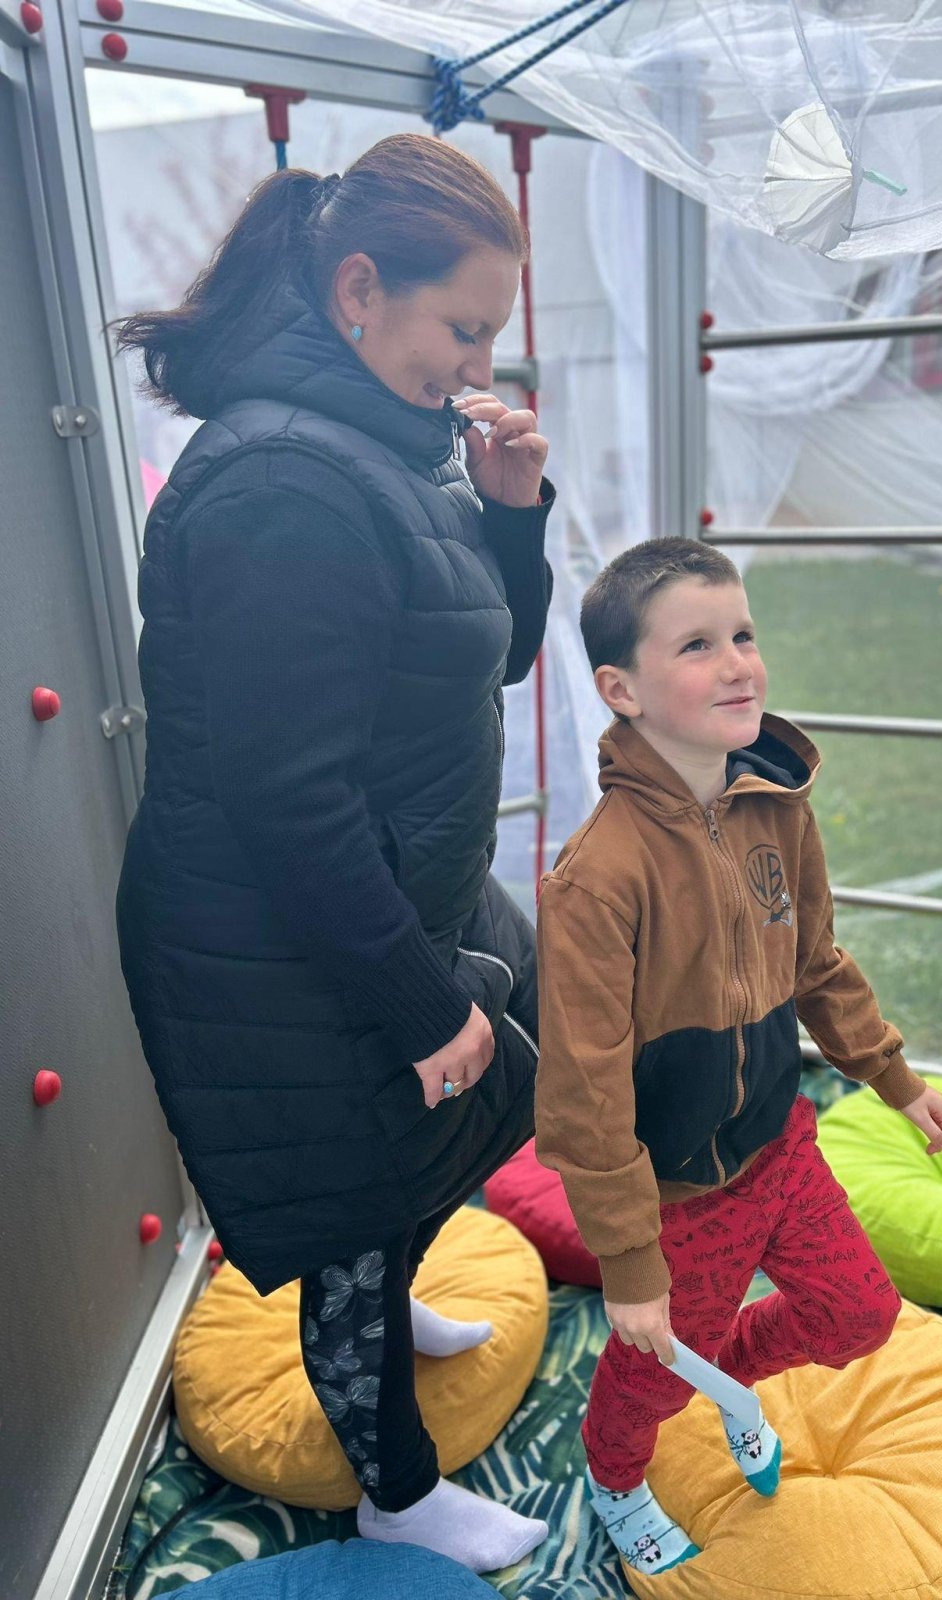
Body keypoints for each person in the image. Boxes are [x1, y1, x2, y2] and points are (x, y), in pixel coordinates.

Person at [114, 134, 555, 1574]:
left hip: (379, 892)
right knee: (356, 1197)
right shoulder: (284, 486)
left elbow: (488, 657)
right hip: (281, 935)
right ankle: (396, 1492)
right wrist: (420, 1004)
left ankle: (392, 1291)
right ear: (359, 290)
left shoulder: (377, 449)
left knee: (428, 1147)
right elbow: (286, 800)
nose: (478, 365)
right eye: (462, 329)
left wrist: (509, 513)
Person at [535, 538, 942, 1574]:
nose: (737, 664)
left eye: (743, 634)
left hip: (782, 1146)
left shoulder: (780, 806)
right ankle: (615, 1474)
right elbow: (585, 1094)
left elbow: (816, 961)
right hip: (680, 1195)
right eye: (697, 645)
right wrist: (631, 1263)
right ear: (621, 690)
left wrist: (893, 1077)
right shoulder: (596, 880)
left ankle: (715, 1373)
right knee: (647, 1370)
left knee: (859, 1315)